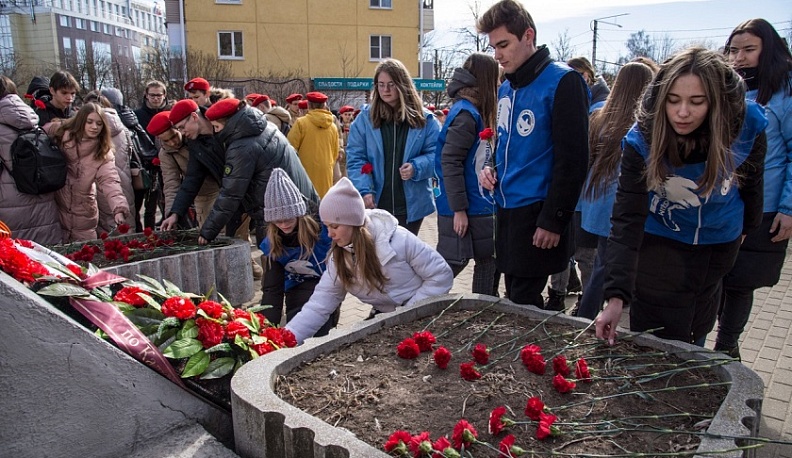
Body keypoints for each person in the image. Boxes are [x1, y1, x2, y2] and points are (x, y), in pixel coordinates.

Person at [595, 47, 768, 346]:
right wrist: (615, 296)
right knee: (657, 339)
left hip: (719, 242)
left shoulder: (747, 123)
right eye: (673, 101)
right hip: (661, 242)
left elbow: (752, 184)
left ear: (717, 104)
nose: (682, 112)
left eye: (697, 102)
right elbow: (627, 219)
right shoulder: (642, 140)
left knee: (698, 322)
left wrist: (747, 230)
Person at [477, 0, 590, 308]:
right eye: (493, 47)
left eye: (503, 45)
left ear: (528, 36)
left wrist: (554, 219)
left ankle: (534, 355)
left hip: (538, 211)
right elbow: (503, 142)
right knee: (514, 295)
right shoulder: (506, 88)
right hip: (506, 208)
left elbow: (574, 159)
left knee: (523, 301)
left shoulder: (564, 81)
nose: (497, 56)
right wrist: (490, 167)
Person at [285, 178, 454, 344]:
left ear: (353, 223)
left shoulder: (399, 240)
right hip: (390, 321)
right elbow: (319, 305)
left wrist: (409, 312)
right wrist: (286, 339)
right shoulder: (338, 257)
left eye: (334, 226)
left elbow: (441, 275)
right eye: (327, 226)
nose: (329, 234)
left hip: (424, 319)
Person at [715, 19, 792, 359]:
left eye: (749, 49)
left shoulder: (785, 91)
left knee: (741, 281)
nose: (739, 58)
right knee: (715, 276)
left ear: (769, 50)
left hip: (765, 206)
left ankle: (727, 345)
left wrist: (789, 208)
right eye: (733, 50)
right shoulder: (724, 89)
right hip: (722, 201)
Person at [173, 97, 319, 246]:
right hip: (299, 203)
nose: (216, 132)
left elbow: (231, 192)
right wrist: (176, 211)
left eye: (216, 127)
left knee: (284, 256)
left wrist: (207, 232)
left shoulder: (241, 146)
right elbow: (194, 178)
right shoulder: (263, 127)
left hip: (282, 211)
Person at [576, 62, 656, 319]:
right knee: (608, 266)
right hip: (623, 205)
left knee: (602, 263)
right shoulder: (645, 124)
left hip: (596, 202)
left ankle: (590, 312)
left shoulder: (599, 115)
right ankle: (588, 316)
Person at [345, 58, 440, 235]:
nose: (385, 90)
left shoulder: (425, 120)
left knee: (404, 257)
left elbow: (438, 155)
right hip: (376, 203)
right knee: (379, 256)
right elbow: (356, 159)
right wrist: (365, 190)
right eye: (381, 85)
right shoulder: (365, 119)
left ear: (402, 85)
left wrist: (416, 167)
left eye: (391, 84)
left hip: (411, 206)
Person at [434, 53, 499, 295]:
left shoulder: (469, 109)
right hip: (467, 205)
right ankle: (415, 307)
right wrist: (458, 209)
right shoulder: (466, 114)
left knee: (488, 262)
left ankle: (481, 311)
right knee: (448, 267)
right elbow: (450, 161)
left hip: (475, 202)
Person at [259, 168, 337, 336]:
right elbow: (272, 290)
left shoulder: (323, 231)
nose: (284, 225)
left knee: (321, 323)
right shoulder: (273, 243)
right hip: (296, 286)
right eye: (277, 221)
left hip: (326, 282)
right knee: (295, 323)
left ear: (299, 214)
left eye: (288, 219)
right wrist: (266, 330)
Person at [46, 102, 130, 242]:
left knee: (85, 255)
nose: (94, 127)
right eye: (89, 122)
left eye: (99, 123)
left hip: (84, 211)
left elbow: (110, 181)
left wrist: (119, 207)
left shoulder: (102, 152)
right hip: (56, 207)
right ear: (81, 121)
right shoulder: (60, 136)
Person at [0, 76, 62, 244]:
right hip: (45, 202)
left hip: (10, 209)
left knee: (20, 264)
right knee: (49, 262)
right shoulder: (33, 120)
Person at [146, 111, 219, 228]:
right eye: (166, 141)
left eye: (174, 136)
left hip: (222, 188)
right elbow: (171, 184)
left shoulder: (194, 136)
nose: (172, 142)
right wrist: (172, 214)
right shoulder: (165, 154)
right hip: (202, 195)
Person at [82, 91, 137, 233]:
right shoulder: (122, 128)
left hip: (99, 186)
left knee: (107, 233)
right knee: (125, 227)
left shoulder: (88, 131)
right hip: (123, 183)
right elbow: (131, 151)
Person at [287, 91, 340, 197]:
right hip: (326, 173)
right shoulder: (333, 127)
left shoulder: (301, 123)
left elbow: (290, 149)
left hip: (304, 173)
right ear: (324, 105)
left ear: (308, 105)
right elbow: (335, 153)